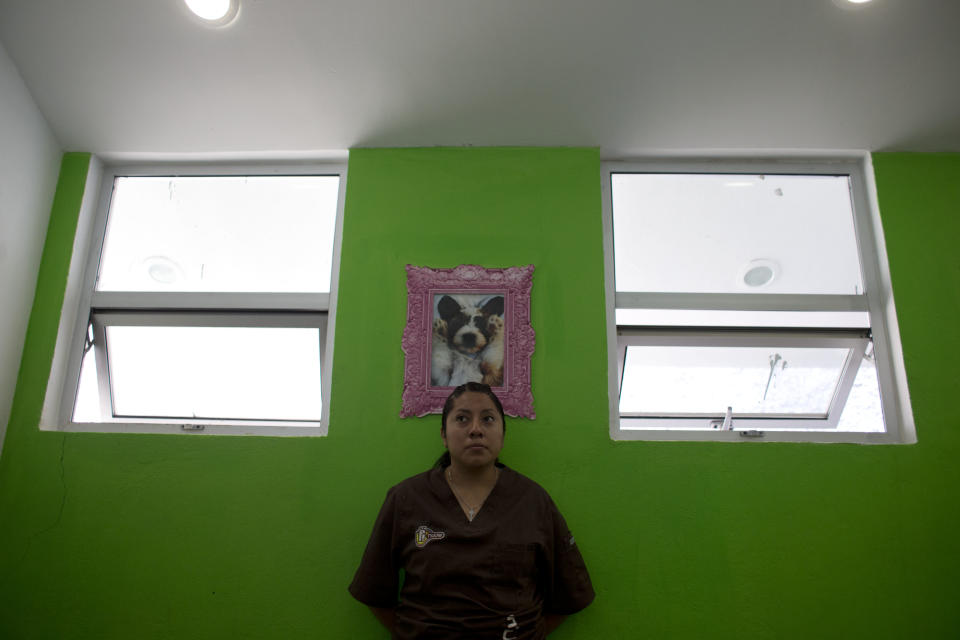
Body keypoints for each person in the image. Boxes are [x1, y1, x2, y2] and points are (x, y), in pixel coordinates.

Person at [349, 382, 594, 639]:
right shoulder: (406, 498)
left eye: (488, 419)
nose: (476, 430)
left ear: (502, 433)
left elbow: (570, 592)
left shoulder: (533, 500)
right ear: (444, 434)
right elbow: (374, 590)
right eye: (462, 419)